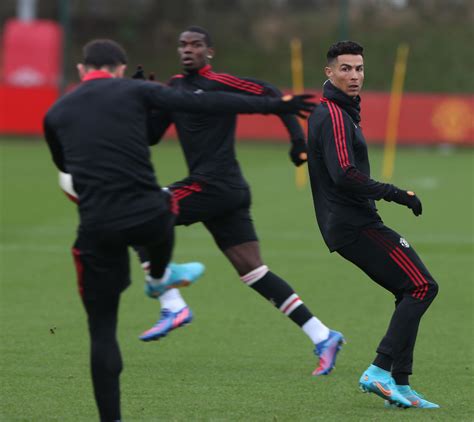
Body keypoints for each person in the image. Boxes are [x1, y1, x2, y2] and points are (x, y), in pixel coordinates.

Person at [44, 39, 316, 421]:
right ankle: (160, 278)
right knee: (164, 206)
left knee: (102, 332)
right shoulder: (140, 90)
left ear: (80, 70)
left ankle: (113, 415)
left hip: (96, 228)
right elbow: (206, 103)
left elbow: (66, 168)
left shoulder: (55, 112)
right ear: (121, 69)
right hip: (147, 216)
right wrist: (274, 106)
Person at [135, 26, 344, 377]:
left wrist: (298, 141)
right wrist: (141, 99)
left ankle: (172, 304)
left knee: (138, 211)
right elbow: (150, 136)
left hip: (213, 186)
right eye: (183, 45)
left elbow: (274, 95)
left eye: (197, 44)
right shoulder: (173, 88)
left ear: (210, 51)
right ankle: (323, 335)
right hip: (224, 191)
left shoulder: (222, 83)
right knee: (254, 271)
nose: (188, 50)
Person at [306, 40, 439, 408]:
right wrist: (398, 193)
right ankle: (379, 371)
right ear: (329, 72)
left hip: (351, 222)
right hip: (353, 224)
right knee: (423, 286)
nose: (354, 76)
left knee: (410, 290)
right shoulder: (332, 113)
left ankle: (400, 384)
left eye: (359, 68)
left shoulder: (342, 112)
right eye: (345, 68)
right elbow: (345, 174)